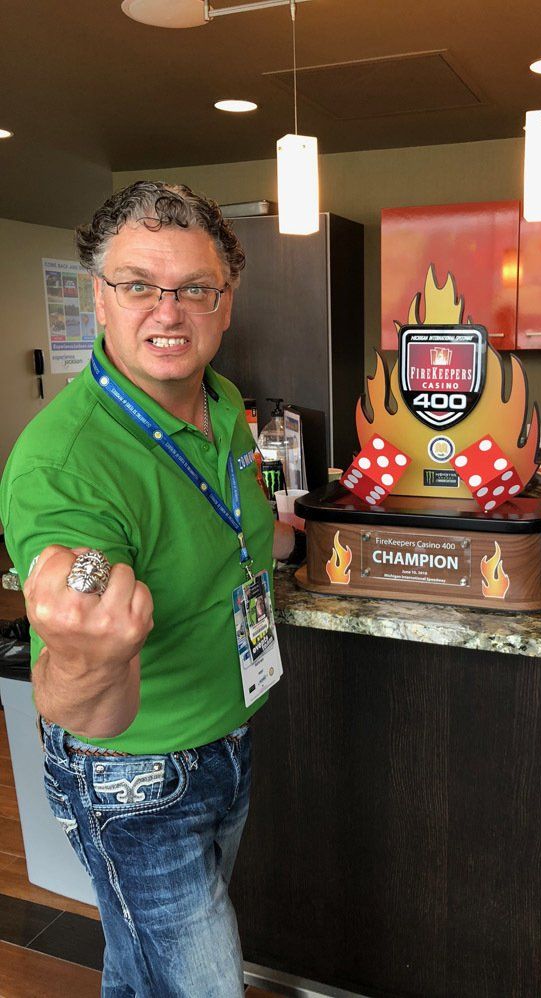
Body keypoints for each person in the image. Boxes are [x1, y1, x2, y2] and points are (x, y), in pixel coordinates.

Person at [0, 181, 294, 997]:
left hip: (227, 735)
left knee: (142, 968)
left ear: (224, 304)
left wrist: (293, 538)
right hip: (135, 772)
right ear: (100, 297)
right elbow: (77, 618)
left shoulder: (224, 403)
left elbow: (243, 521)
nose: (168, 313)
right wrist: (81, 635)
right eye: (138, 286)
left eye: (194, 289)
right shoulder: (67, 463)